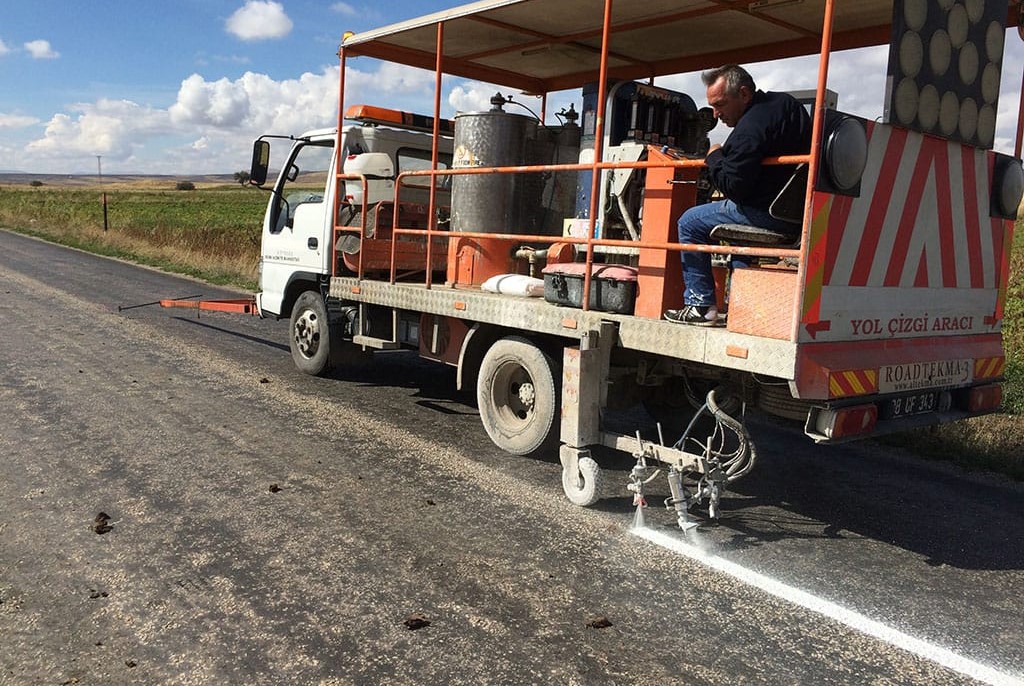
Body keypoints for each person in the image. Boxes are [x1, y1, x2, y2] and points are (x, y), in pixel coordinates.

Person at [665, 64, 812, 326]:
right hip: (796, 213)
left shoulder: (749, 129)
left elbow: (734, 187)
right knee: (736, 233)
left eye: (720, 104)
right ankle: (740, 308)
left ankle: (700, 305)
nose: (716, 114)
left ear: (744, 94)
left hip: (765, 212)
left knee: (688, 222)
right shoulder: (787, 105)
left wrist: (714, 157)